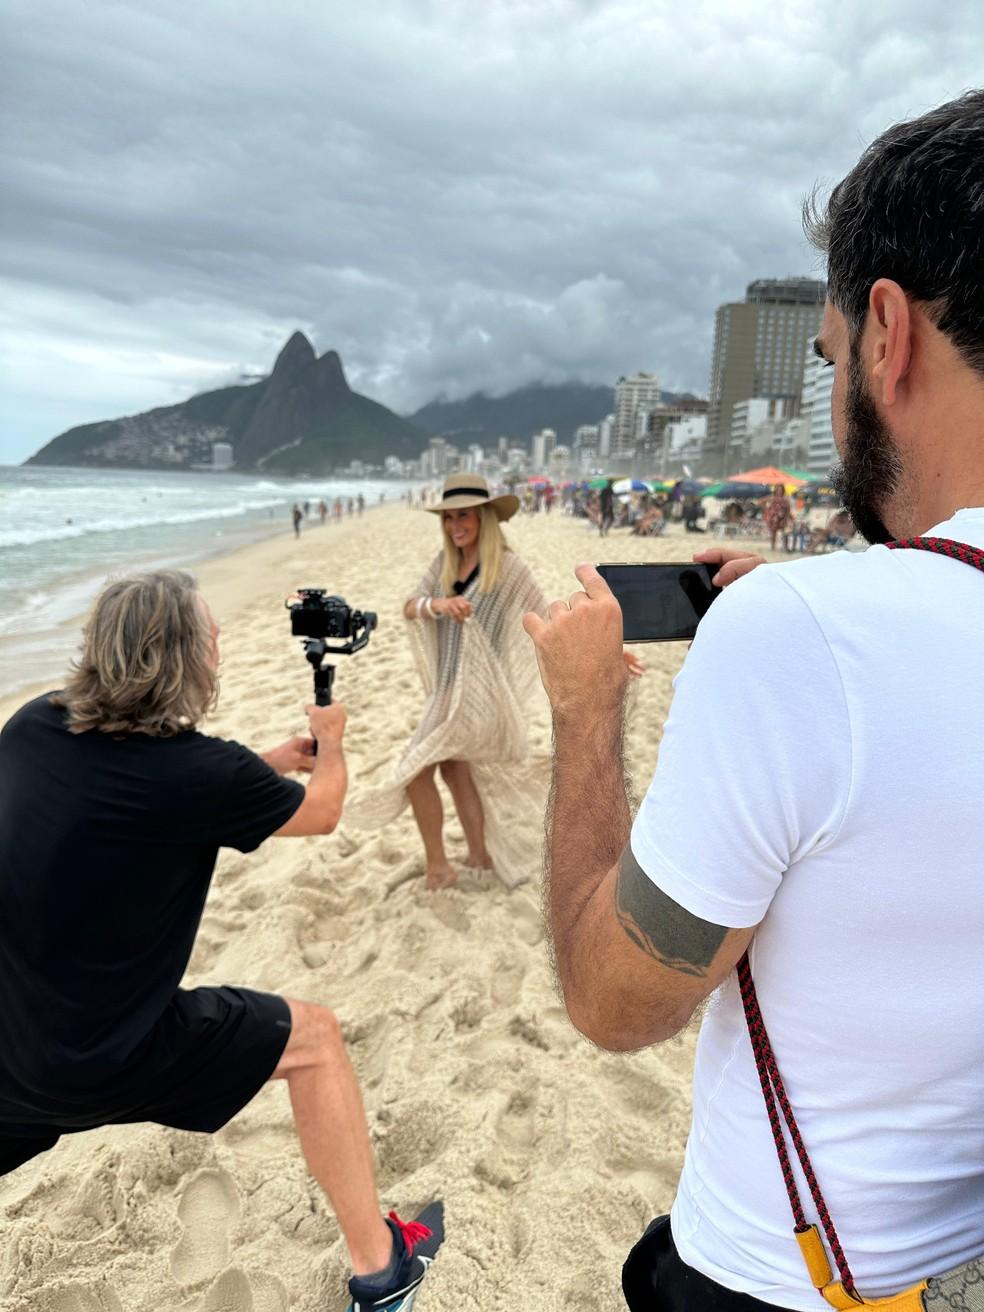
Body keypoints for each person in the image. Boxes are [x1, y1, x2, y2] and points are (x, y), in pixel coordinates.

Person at [526, 91, 984, 1311]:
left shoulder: (804, 641)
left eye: (829, 358)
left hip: (797, 1278)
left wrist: (583, 711)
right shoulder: (828, 620)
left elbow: (615, 999)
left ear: (888, 332)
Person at [0, 571, 444, 1310]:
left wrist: (262, 764)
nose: (221, 647)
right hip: (110, 1056)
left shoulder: (30, 729)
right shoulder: (199, 774)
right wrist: (328, 744)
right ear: (182, 657)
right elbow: (325, 812)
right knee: (317, 1040)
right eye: (211, 637)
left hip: (9, 1054)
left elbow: (121, 799)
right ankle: (382, 1272)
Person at [349, 474, 642, 891]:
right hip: (448, 693)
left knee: (415, 772)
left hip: (481, 697)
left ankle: (438, 867)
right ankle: (480, 856)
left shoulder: (507, 565)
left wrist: (607, 651)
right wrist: (440, 604)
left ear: (484, 516)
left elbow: (544, 615)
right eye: (448, 518)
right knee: (453, 770)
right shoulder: (446, 562)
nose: (455, 527)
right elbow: (410, 606)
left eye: (463, 516)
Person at [762, 482, 791, 550]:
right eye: (778, 489)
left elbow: (788, 510)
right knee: (773, 533)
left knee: (784, 532)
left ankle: (784, 546)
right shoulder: (772, 497)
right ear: (776, 490)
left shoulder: (785, 499)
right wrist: (766, 510)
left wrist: (786, 518)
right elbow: (760, 502)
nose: (779, 491)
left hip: (782, 518)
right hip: (773, 518)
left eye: (780, 489)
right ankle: (773, 547)